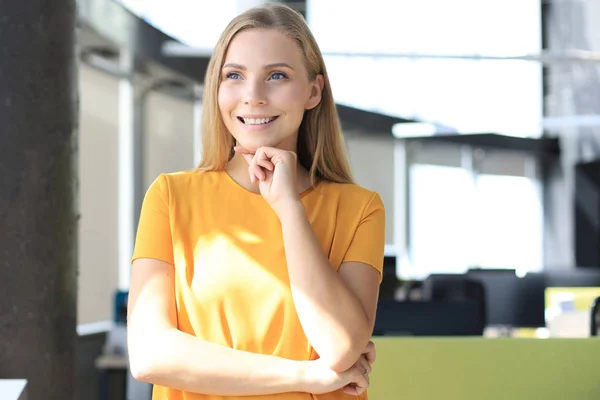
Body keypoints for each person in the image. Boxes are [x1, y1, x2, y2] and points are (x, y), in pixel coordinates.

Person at [127, 3, 386, 400]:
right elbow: (150, 354)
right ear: (217, 89)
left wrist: (289, 210)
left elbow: (340, 346)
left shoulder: (359, 209)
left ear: (313, 91)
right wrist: (305, 376)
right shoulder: (170, 196)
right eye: (234, 76)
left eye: (277, 76)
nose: (253, 96)